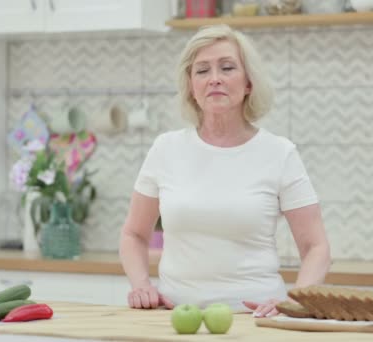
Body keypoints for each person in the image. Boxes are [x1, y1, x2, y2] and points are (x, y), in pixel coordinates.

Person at [118, 24, 331, 318]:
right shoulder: (165, 149)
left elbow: (316, 246)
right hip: (174, 317)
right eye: (202, 71)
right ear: (191, 86)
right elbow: (133, 233)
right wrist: (141, 285)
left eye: (227, 68)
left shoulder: (280, 153)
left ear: (248, 83)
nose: (214, 79)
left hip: (257, 320)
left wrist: (296, 301)